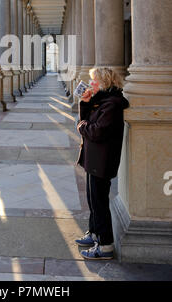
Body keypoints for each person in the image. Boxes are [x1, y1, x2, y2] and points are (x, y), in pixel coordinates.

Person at [75, 67, 129, 260]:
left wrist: (82, 127)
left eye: (94, 81)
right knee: (92, 199)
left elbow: (96, 131)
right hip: (94, 159)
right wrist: (85, 102)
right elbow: (88, 120)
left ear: (105, 82)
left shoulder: (112, 105)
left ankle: (105, 245)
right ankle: (95, 233)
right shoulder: (102, 101)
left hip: (102, 161)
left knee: (99, 202)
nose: (91, 85)